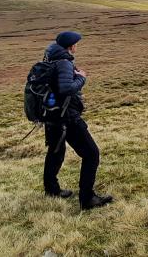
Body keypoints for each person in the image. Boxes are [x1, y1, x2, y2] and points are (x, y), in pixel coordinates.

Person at [42, 31, 113, 210]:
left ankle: (52, 190)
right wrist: (81, 77)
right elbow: (66, 89)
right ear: (70, 45)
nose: (76, 46)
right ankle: (87, 199)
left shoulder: (49, 58)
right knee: (91, 154)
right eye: (75, 43)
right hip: (67, 117)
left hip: (52, 115)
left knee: (55, 152)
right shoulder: (64, 62)